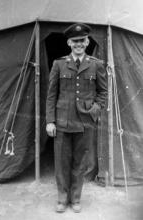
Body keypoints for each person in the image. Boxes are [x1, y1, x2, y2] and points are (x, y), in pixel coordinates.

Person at [46, 23, 107, 213]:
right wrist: (50, 121)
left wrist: (94, 111)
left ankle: (76, 198)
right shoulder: (59, 64)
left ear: (87, 42)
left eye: (82, 41)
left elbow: (103, 92)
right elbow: (51, 95)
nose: (79, 44)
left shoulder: (96, 64)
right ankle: (63, 199)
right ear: (69, 43)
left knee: (80, 163)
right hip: (63, 122)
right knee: (62, 163)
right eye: (75, 41)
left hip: (84, 123)